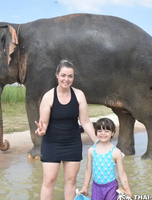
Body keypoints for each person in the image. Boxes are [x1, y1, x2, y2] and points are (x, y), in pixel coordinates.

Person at [35, 60, 97, 200]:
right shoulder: (49, 96)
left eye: (70, 76)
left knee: (71, 181)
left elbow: (85, 122)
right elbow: (43, 123)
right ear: (57, 75)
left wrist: (97, 141)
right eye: (63, 75)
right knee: (49, 181)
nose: (66, 79)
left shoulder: (79, 95)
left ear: (73, 78)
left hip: (72, 143)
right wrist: (41, 130)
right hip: (51, 144)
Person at [79, 118, 132, 200]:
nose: (103, 133)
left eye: (107, 131)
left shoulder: (116, 152)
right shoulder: (91, 150)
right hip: (96, 186)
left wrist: (127, 189)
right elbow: (88, 170)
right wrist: (85, 187)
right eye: (99, 131)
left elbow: (122, 173)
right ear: (96, 132)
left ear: (112, 133)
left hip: (111, 187)